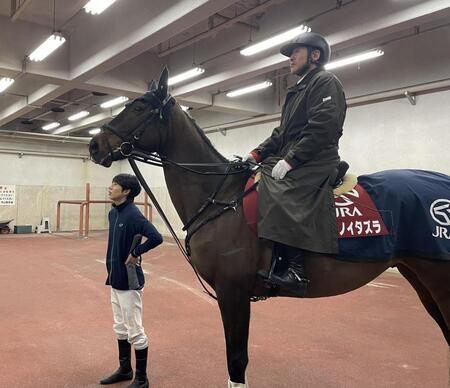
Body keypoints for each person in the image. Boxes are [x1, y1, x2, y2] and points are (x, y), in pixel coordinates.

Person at [244, 32, 347, 296]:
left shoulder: (325, 82)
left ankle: (297, 268)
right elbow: (282, 133)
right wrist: (257, 153)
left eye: (296, 52)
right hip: (296, 154)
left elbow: (323, 126)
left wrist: (292, 160)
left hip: (316, 158)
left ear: (315, 55)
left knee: (278, 190)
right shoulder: (297, 89)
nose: (290, 57)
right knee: (259, 178)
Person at [100, 174, 163, 388]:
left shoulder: (133, 214)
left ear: (126, 191)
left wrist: (136, 251)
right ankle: (125, 369)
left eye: (114, 185)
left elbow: (156, 237)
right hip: (115, 278)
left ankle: (142, 379)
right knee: (120, 326)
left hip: (129, 281)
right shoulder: (113, 213)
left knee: (134, 329)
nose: (110, 188)